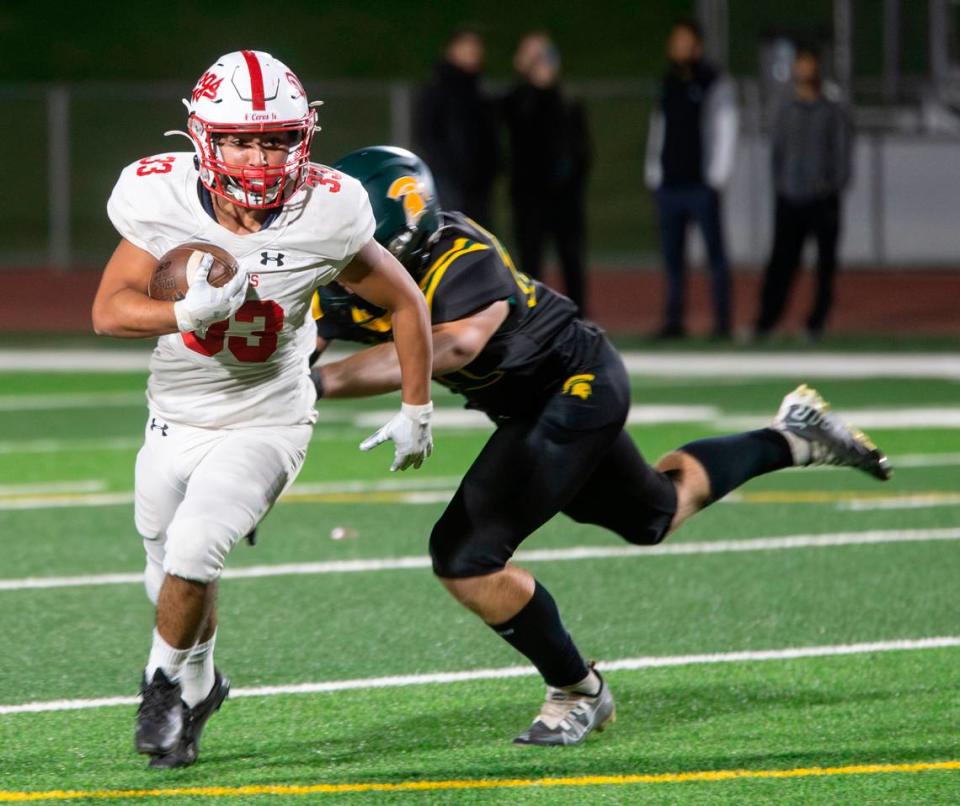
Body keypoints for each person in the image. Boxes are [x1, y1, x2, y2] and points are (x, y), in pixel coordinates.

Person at [309, 145, 891, 747]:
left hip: (574, 384)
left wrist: (319, 384)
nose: (339, 259)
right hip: (530, 403)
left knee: (465, 554)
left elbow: (454, 344)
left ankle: (578, 690)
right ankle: (792, 436)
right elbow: (301, 345)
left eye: (352, 243)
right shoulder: (340, 269)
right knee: (653, 515)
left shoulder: (460, 255)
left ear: (399, 241)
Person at [91, 52, 434, 769]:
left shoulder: (330, 206)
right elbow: (108, 312)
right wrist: (182, 309)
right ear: (203, 137)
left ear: (300, 137)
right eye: (242, 139)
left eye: (274, 138)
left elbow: (406, 299)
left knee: (194, 549)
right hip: (173, 418)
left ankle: (159, 687)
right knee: (170, 575)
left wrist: (417, 406)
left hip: (268, 418)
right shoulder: (160, 198)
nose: (258, 155)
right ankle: (202, 685)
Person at [645, 19, 738, 339]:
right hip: (670, 183)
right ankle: (673, 320)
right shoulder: (668, 81)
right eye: (675, 41)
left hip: (701, 184)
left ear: (697, 45)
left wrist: (717, 176)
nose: (678, 47)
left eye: (684, 41)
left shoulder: (713, 81)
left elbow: (725, 127)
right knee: (672, 260)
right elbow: (660, 127)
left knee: (715, 256)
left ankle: (723, 322)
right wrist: (654, 170)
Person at [754, 47, 853, 341]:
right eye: (801, 64)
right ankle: (766, 321)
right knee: (781, 263)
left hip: (823, 201)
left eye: (810, 64)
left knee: (824, 266)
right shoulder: (786, 110)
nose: (805, 70)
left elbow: (842, 153)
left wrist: (831, 186)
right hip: (789, 198)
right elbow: (777, 152)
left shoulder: (831, 110)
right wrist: (781, 185)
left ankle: (816, 323)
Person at [501, 32, 591, 313]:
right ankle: (533, 317)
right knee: (530, 260)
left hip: (564, 197)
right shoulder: (518, 99)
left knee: (571, 259)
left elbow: (583, 149)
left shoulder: (567, 100)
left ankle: (578, 317)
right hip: (529, 196)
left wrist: (571, 180)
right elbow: (512, 119)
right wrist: (526, 75)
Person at [413, 28, 500, 227]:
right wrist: (442, 167)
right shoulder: (436, 89)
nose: (472, 53)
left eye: (476, 49)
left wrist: (491, 167)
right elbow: (426, 133)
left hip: (478, 183)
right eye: (467, 47)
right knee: (451, 231)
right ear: (452, 50)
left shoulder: (480, 92)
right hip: (446, 180)